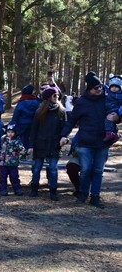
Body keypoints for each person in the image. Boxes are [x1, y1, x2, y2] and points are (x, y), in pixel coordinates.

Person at [59, 72, 120, 208]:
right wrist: (64, 135)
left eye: (100, 87)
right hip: (85, 142)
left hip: (103, 142)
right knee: (86, 169)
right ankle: (82, 194)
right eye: (96, 88)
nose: (99, 90)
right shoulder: (81, 102)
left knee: (98, 170)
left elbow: (117, 113)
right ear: (89, 89)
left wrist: (117, 118)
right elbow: (71, 121)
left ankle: (95, 196)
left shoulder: (107, 99)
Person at [26, 87, 65, 200]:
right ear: (48, 97)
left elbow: (64, 128)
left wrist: (63, 138)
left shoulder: (61, 112)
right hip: (40, 144)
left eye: (57, 95)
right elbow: (33, 130)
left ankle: (53, 191)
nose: (57, 97)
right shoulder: (39, 112)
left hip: (54, 145)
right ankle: (34, 188)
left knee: (53, 168)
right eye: (54, 95)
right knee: (37, 167)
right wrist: (31, 146)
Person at [0, 123, 25, 196]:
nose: (10, 134)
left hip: (13, 163)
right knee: (2, 177)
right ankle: (2, 190)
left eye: (12, 132)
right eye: (8, 132)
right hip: (3, 163)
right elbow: (1, 148)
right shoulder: (3, 139)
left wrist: (20, 150)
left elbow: (22, 150)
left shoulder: (17, 141)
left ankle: (17, 189)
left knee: (14, 177)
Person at [103, 75, 121, 143]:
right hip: (108, 109)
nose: (114, 88)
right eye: (112, 87)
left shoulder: (120, 95)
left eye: (116, 87)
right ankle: (115, 134)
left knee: (108, 120)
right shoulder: (109, 92)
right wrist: (102, 85)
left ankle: (109, 133)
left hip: (114, 110)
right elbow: (106, 88)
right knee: (111, 122)